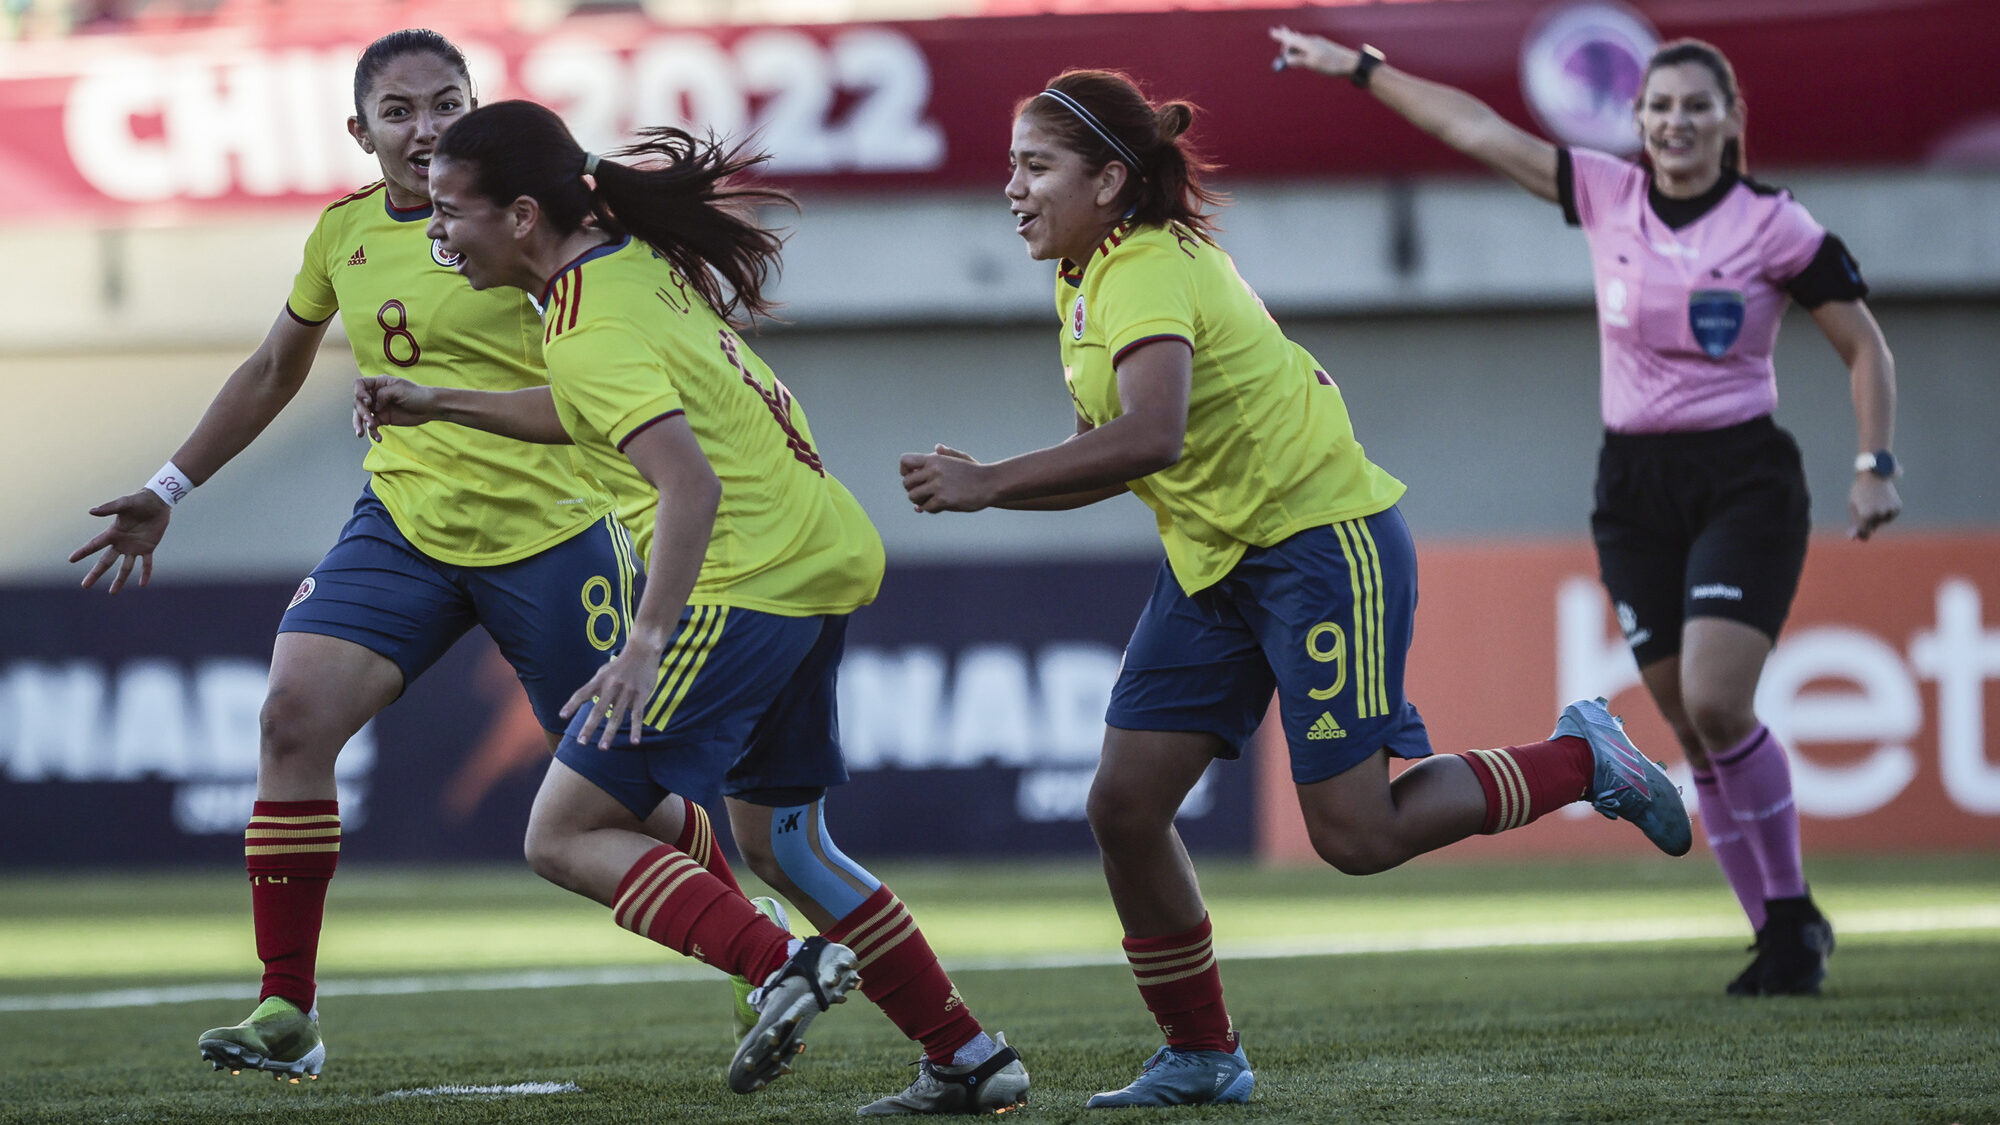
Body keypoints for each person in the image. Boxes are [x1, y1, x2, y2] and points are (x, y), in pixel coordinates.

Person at [897, 68, 1693, 1109]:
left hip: (1318, 545)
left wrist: (987, 482)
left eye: (1033, 165)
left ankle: (1581, 758)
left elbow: (1153, 433)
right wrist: (992, 494)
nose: (1010, 186)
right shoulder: (1085, 275)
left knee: (1355, 837)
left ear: (1107, 179)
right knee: (1125, 806)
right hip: (1215, 560)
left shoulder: (1140, 269)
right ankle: (1200, 1054)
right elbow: (1122, 455)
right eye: (1010, 165)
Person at [62, 29, 769, 1082]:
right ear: (361, 132)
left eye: (446, 104)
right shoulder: (343, 233)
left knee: (621, 793)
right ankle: (286, 1012)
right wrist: (169, 490)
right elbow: (271, 368)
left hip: (555, 533)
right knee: (290, 716)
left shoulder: (533, 226)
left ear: (476, 109)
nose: (425, 127)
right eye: (399, 111)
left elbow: (619, 373)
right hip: (403, 527)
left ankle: (755, 947)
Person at [350, 98, 1032, 1114]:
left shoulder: (586, 325)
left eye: (450, 211)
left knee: (562, 834)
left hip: (739, 583)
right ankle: (969, 1059)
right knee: (782, 845)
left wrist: (643, 642)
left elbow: (687, 484)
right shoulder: (623, 265)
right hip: (813, 561)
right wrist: (443, 399)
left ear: (524, 214)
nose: (435, 231)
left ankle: (779, 966)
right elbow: (598, 411)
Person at [1270, 28, 1899, 997]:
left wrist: (1873, 464)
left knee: (1720, 700)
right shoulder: (1607, 193)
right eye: (1658, 107)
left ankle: (1791, 913)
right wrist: (1358, 69)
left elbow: (1864, 348)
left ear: (1730, 122)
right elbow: (1476, 129)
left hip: (1743, 477)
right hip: (1632, 488)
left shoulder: (1773, 225)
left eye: (1696, 106)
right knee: (1692, 726)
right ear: (1636, 121)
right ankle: (1777, 935)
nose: (1675, 122)